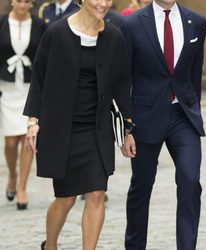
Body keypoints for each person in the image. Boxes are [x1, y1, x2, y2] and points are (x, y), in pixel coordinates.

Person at [23, 0, 134, 249]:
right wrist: (33, 121)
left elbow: (121, 83)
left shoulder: (114, 36)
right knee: (66, 199)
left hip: (97, 128)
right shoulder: (57, 33)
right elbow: (39, 78)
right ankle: (50, 244)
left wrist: (128, 129)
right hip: (62, 130)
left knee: (96, 194)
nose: (104, 4)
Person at [121, 0, 206, 249]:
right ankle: (135, 246)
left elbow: (195, 72)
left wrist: (194, 108)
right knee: (141, 186)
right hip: (145, 118)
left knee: (190, 181)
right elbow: (124, 77)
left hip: (183, 116)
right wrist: (127, 127)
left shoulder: (197, 22)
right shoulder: (132, 23)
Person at [0, 0, 46, 210]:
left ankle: (21, 188)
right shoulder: (1, 23)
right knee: (10, 142)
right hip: (6, 89)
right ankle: (12, 175)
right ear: (12, 2)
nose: (23, 5)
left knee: (28, 138)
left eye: (27, 1)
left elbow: (45, 57)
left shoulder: (39, 25)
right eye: (19, 0)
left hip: (30, 89)